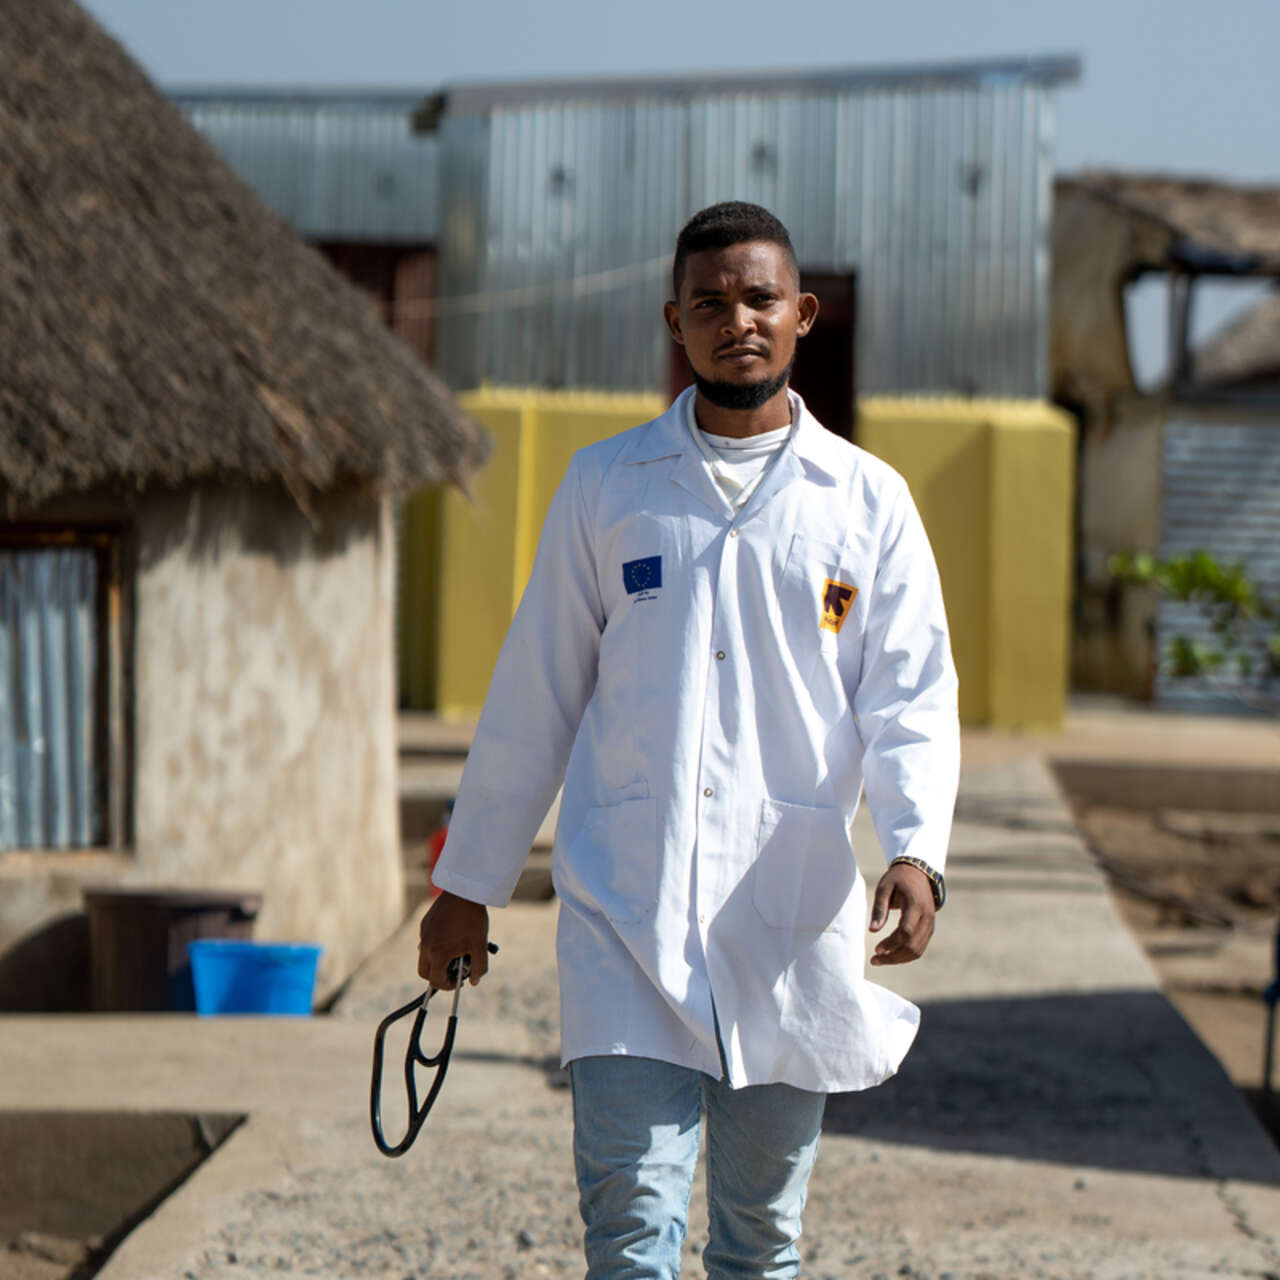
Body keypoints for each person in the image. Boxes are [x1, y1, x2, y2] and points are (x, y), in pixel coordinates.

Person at [419, 201, 959, 1279]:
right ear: (675, 320)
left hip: (787, 916)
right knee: (629, 1237)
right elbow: (535, 694)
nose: (736, 320)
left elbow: (911, 692)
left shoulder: (866, 502)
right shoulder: (608, 487)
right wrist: (467, 879)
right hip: (626, 912)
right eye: (708, 302)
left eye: (759, 298)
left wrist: (912, 849)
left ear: (800, 314)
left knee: (759, 1242)